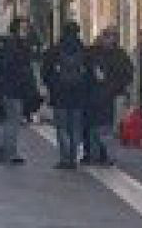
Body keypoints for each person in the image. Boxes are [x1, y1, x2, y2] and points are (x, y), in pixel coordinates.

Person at [41, 22, 92, 170]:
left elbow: (45, 72)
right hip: (78, 95)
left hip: (59, 95)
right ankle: (73, 157)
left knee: (62, 127)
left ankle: (65, 158)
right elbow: (89, 74)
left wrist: (52, 86)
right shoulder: (84, 50)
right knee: (75, 127)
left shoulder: (55, 50)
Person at [84, 27, 133, 166]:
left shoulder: (118, 54)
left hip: (109, 95)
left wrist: (113, 86)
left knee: (104, 127)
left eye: (111, 37)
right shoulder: (93, 53)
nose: (108, 40)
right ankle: (95, 154)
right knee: (96, 126)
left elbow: (127, 74)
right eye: (107, 37)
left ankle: (103, 155)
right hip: (96, 95)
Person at [0, 19, 38, 165]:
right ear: (16, 29)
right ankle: (10, 153)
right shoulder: (15, 46)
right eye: (23, 28)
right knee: (13, 121)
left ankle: (7, 151)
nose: (26, 31)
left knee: (11, 121)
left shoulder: (10, 44)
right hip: (14, 89)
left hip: (10, 88)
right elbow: (17, 68)